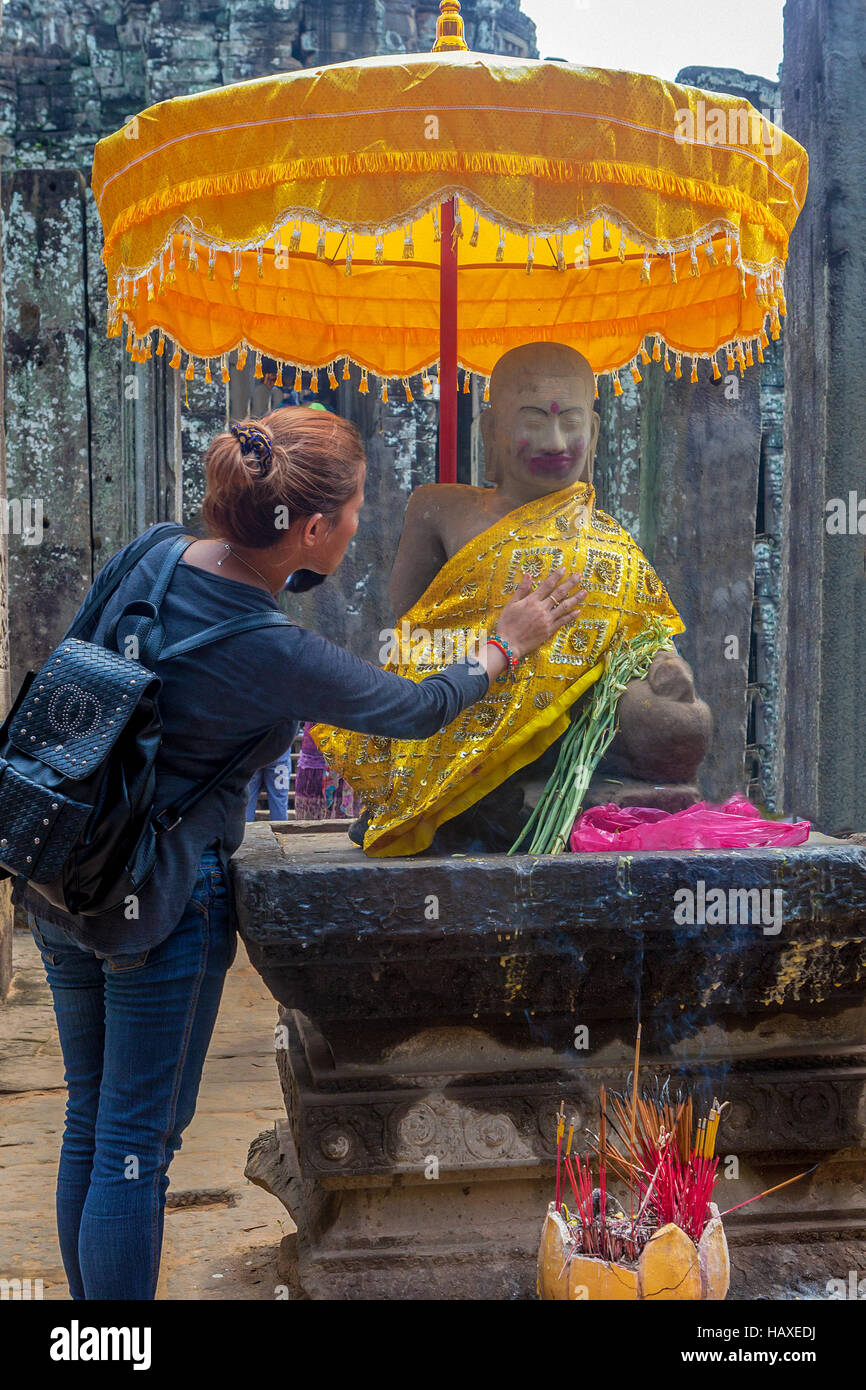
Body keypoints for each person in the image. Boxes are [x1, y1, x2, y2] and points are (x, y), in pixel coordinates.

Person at [18, 405, 586, 1300]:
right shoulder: (266, 646)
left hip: (63, 871)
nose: (361, 527)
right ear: (311, 529)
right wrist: (503, 646)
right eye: (357, 510)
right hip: (158, 901)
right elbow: (413, 711)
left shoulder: (152, 552)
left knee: (95, 1118)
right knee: (139, 1144)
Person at [245, 746, 294, 820]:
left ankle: (245, 830)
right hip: (280, 749)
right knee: (279, 801)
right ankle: (280, 829)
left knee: (247, 798)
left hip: (251, 748)